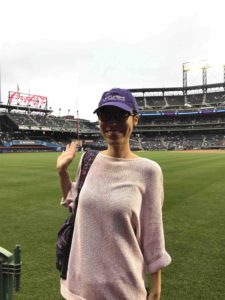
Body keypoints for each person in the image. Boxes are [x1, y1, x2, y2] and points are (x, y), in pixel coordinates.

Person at [57, 88, 171, 300]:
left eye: (120, 115)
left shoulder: (149, 171)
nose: (111, 122)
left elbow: (153, 234)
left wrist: (155, 290)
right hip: (79, 288)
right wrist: (62, 172)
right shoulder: (88, 160)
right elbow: (74, 203)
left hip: (124, 291)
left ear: (135, 120)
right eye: (105, 115)